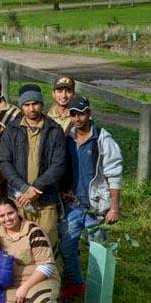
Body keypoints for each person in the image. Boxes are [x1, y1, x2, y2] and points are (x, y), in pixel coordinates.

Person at [58, 96, 123, 298]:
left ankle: (100, 293)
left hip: (97, 207)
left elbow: (114, 174)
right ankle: (77, 284)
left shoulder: (103, 139)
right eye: (73, 114)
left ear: (89, 113)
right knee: (67, 247)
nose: (78, 118)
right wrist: (64, 189)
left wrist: (114, 208)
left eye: (82, 113)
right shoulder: (67, 140)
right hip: (74, 205)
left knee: (99, 250)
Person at [0, 84, 66, 249]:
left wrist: (35, 188)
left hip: (46, 198)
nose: (31, 108)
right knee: (20, 244)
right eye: (27, 105)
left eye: (35, 103)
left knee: (48, 242)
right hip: (19, 199)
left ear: (42, 104)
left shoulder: (54, 130)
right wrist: (23, 187)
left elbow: (58, 164)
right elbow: (4, 162)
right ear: (21, 106)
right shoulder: (11, 130)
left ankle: (51, 275)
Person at [0, 199, 60, 303]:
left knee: (41, 299)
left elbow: (47, 265)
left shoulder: (33, 231)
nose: (7, 218)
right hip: (12, 285)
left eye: (10, 213)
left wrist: (25, 287)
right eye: (2, 216)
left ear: (17, 212)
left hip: (40, 281)